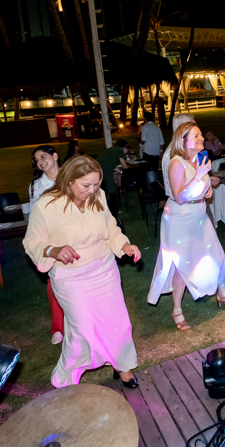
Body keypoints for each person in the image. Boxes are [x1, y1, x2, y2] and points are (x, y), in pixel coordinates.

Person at [23, 155, 143, 388]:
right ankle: (66, 379)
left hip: (104, 270)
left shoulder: (97, 197)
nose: (93, 190)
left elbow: (110, 227)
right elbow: (32, 242)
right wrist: (53, 249)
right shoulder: (46, 206)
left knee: (119, 323)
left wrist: (124, 246)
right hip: (71, 277)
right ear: (69, 181)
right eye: (86, 185)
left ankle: (122, 366)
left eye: (97, 184)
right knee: (82, 331)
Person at [147, 122, 225, 330]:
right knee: (182, 265)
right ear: (183, 140)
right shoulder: (176, 163)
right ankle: (176, 309)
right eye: (196, 136)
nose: (201, 139)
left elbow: (200, 185)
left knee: (216, 255)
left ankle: (222, 294)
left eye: (201, 136)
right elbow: (179, 197)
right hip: (180, 218)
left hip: (199, 214)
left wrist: (208, 189)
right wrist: (198, 178)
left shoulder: (199, 159)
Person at [29, 145, 66, 345]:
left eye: (43, 156)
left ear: (55, 155)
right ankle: (58, 328)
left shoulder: (71, 176)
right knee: (55, 285)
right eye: (37, 159)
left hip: (76, 236)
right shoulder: (37, 186)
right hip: (53, 241)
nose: (41, 161)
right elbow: (35, 219)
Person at [96, 138, 134, 214]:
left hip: (98, 168)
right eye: (127, 150)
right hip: (105, 170)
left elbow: (112, 165)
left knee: (104, 189)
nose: (126, 153)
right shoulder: (120, 151)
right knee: (111, 189)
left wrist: (120, 172)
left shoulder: (113, 150)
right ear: (125, 148)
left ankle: (104, 209)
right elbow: (125, 166)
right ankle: (113, 210)